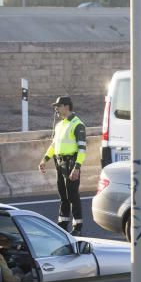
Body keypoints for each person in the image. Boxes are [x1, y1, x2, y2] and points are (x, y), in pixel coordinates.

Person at [38, 96, 87, 235]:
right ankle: (62, 224)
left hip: (71, 163)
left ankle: (78, 226)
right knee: (63, 195)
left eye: (58, 106)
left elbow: (82, 149)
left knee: (72, 195)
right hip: (59, 162)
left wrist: (77, 167)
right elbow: (54, 145)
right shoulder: (60, 125)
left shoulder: (78, 124)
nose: (56, 109)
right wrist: (44, 159)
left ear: (66, 106)